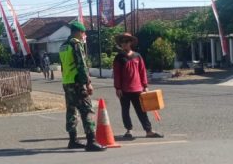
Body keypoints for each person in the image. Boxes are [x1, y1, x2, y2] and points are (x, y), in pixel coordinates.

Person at [59, 21, 105, 152]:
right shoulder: (76, 44)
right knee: (86, 110)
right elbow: (81, 65)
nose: (83, 35)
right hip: (77, 82)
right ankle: (91, 141)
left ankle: (72, 140)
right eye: (83, 33)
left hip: (67, 82)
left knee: (71, 111)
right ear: (78, 32)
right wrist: (88, 83)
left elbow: (63, 66)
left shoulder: (63, 46)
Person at [113, 33, 163, 140]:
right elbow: (116, 74)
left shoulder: (137, 56)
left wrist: (145, 86)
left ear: (130, 43)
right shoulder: (119, 58)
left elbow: (142, 71)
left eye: (127, 41)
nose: (124, 44)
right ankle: (128, 130)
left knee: (142, 111)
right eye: (122, 42)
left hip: (137, 88)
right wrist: (118, 88)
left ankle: (148, 131)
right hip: (124, 90)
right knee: (125, 110)